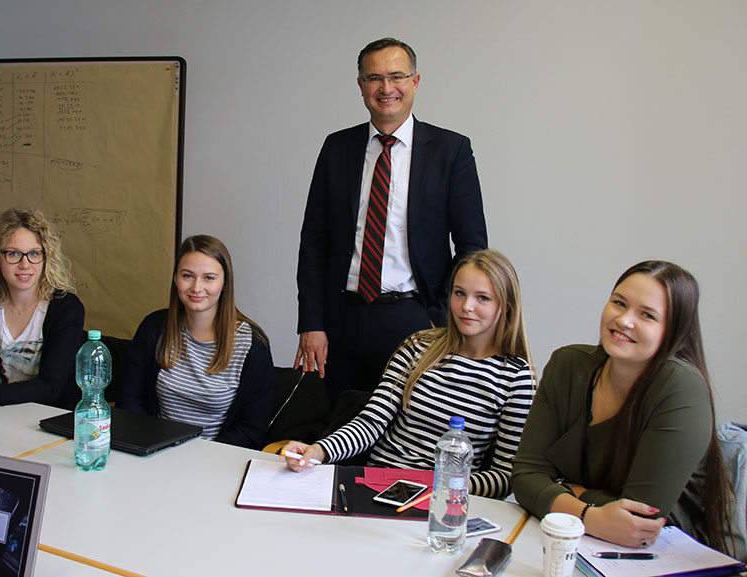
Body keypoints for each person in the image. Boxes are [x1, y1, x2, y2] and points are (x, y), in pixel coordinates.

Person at [295, 37, 487, 406]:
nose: (386, 88)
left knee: (409, 428)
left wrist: (444, 317)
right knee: (340, 423)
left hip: (415, 318)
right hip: (341, 320)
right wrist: (312, 322)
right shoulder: (338, 148)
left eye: (397, 77)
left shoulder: (451, 151)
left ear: (415, 82)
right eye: (374, 78)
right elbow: (314, 243)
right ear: (361, 86)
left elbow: (472, 249)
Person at [512, 261, 733, 553]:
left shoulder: (681, 386)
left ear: (673, 330)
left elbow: (640, 520)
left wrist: (565, 489)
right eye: (619, 303)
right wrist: (590, 516)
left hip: (672, 554)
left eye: (647, 315)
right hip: (583, 542)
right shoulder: (567, 365)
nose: (624, 320)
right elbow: (525, 476)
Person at [284, 250, 535, 499]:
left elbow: (505, 476)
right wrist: (318, 451)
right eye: (459, 293)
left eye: (482, 298)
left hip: (442, 500)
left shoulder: (516, 377)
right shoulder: (418, 346)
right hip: (377, 483)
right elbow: (371, 422)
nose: (467, 307)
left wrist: (443, 483)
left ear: (506, 306)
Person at [118, 235, 274, 449]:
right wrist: (153, 446)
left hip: (216, 461)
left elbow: (251, 429)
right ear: (175, 279)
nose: (196, 288)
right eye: (187, 276)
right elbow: (129, 401)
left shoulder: (252, 345)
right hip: (155, 453)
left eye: (209, 278)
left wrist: (201, 457)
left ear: (225, 283)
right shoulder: (154, 328)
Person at [0, 208, 84, 409]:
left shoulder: (66, 309)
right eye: (13, 254)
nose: (24, 264)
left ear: (46, 258)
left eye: (34, 254)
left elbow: (51, 387)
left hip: (49, 421)